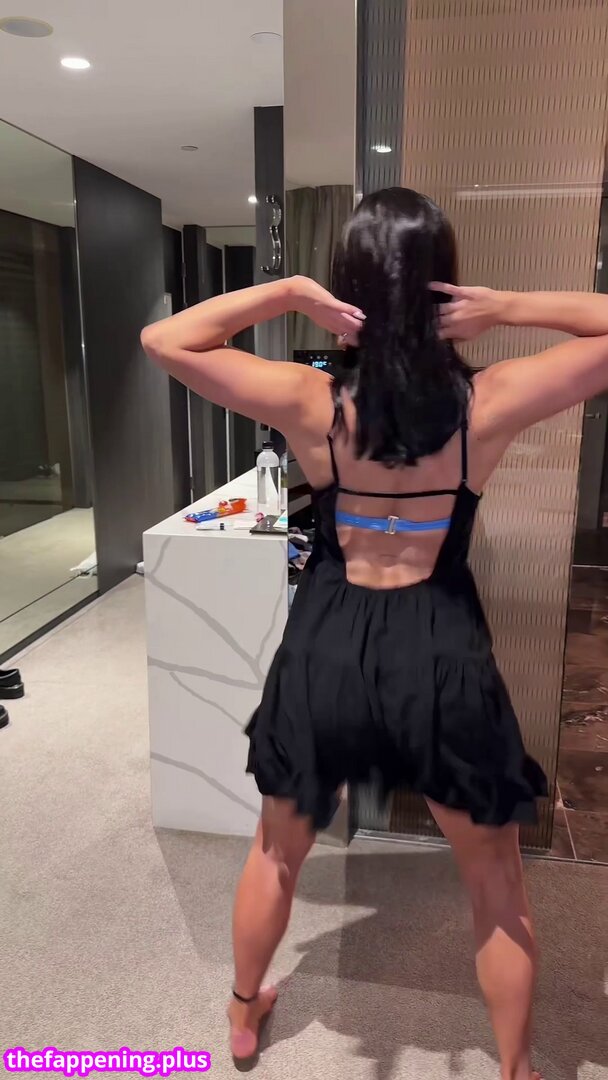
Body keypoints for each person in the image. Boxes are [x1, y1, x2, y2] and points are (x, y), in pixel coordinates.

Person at [141, 187, 608, 1080]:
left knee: (277, 851)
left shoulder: (308, 399)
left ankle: (243, 1013)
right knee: (496, 884)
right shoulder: (489, 401)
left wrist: (292, 294)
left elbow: (166, 339)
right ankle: (515, 1070)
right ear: (444, 286)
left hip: (330, 639)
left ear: (349, 290)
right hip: (437, 645)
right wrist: (510, 308)